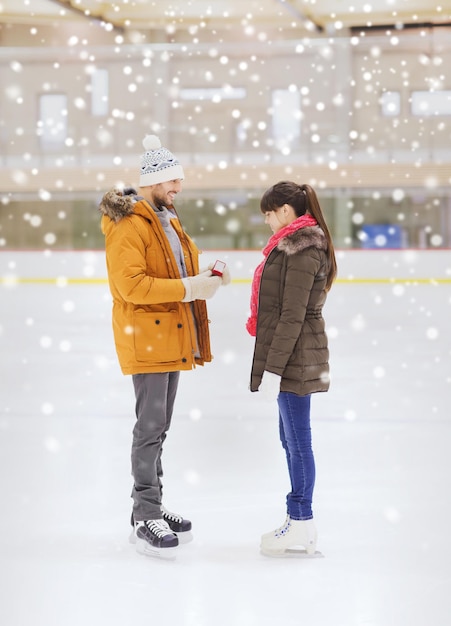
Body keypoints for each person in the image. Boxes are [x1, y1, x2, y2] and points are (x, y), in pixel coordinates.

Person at [99, 134, 230, 559]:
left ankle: (152, 504)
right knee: (150, 427)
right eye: (172, 181)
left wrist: (206, 274)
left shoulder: (166, 218)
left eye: (179, 182)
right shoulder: (129, 224)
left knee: (160, 426)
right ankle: (145, 515)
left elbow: (178, 268)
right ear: (153, 181)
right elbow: (130, 285)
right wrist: (189, 287)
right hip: (148, 336)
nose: (177, 189)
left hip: (169, 333)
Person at [246, 180, 336, 557]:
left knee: (299, 442)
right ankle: (299, 521)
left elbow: (291, 316)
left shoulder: (302, 250)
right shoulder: (291, 246)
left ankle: (301, 520)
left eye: (268, 213)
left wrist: (273, 369)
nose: (266, 221)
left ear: (285, 210)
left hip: (295, 358)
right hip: (294, 355)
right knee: (292, 440)